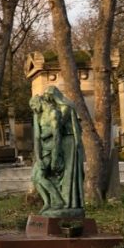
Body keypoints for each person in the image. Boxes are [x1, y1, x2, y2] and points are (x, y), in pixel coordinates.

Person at [30, 86, 85, 216]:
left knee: (68, 174)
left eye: (50, 97)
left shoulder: (64, 108)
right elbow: (39, 136)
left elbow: (57, 131)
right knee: (37, 176)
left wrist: (54, 153)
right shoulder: (42, 114)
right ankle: (53, 201)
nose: (48, 100)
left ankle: (67, 202)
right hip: (54, 145)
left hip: (68, 142)